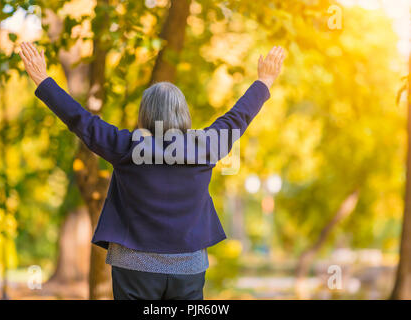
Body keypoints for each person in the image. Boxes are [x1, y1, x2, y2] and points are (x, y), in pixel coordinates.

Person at [19, 42, 285, 300]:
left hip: (134, 266)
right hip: (188, 266)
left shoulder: (125, 145)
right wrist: (265, 81)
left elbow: (82, 121)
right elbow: (239, 116)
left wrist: (43, 80)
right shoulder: (205, 146)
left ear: (144, 114)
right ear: (183, 113)